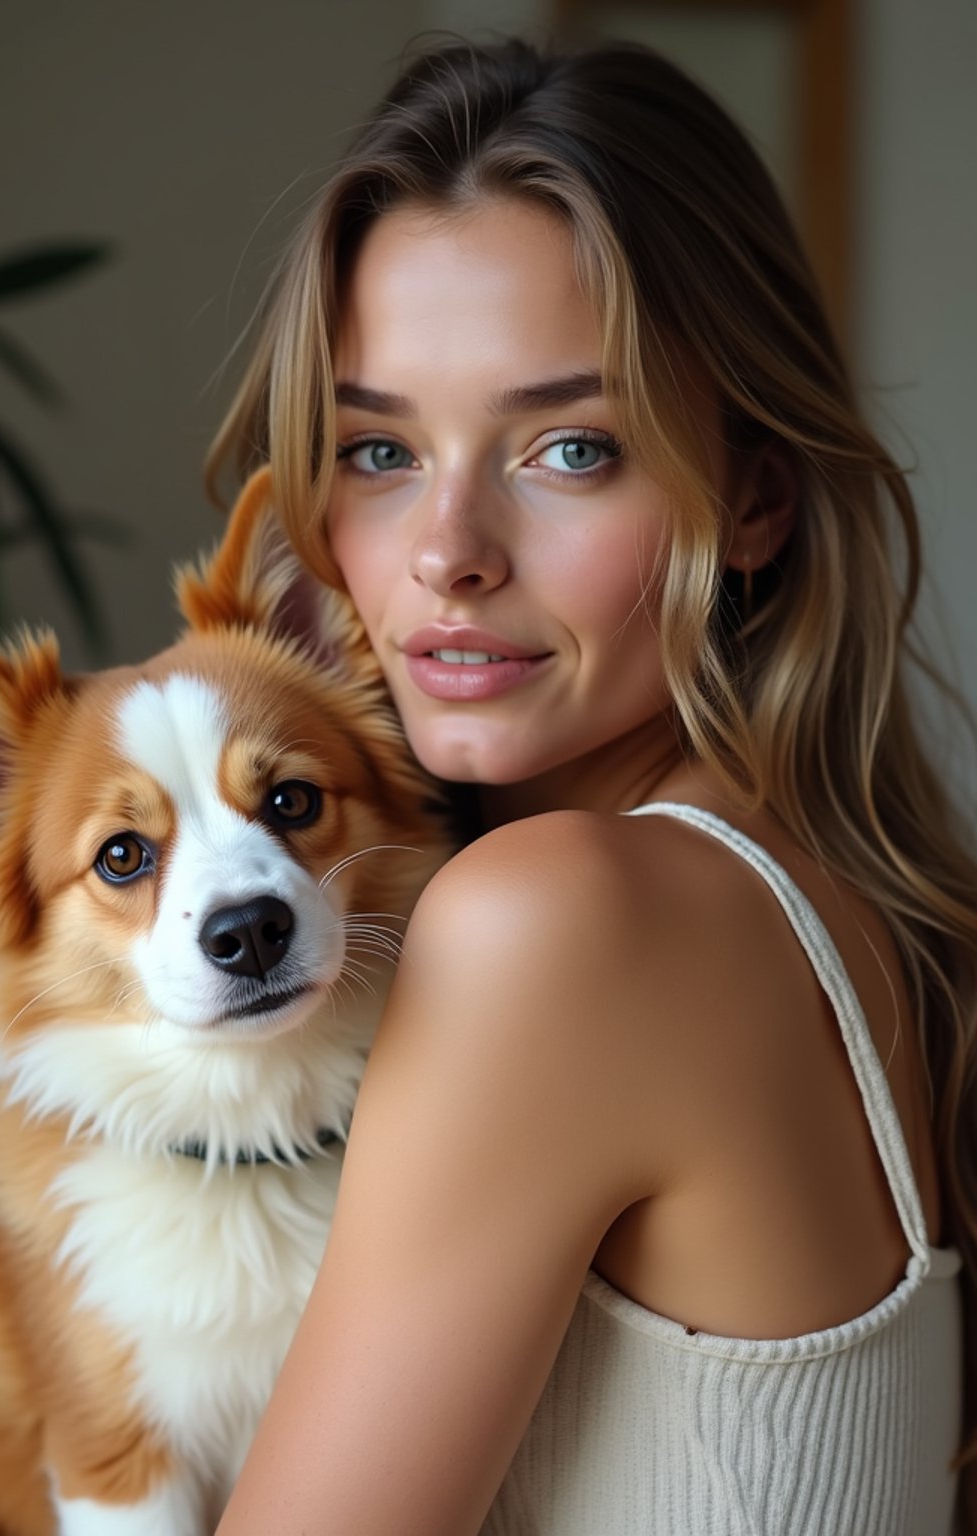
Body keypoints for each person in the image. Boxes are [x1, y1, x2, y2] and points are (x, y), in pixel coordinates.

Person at [207, 36, 974, 1535]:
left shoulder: (561, 920)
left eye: (568, 448)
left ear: (752, 495)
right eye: (378, 448)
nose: (447, 551)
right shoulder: (814, 897)